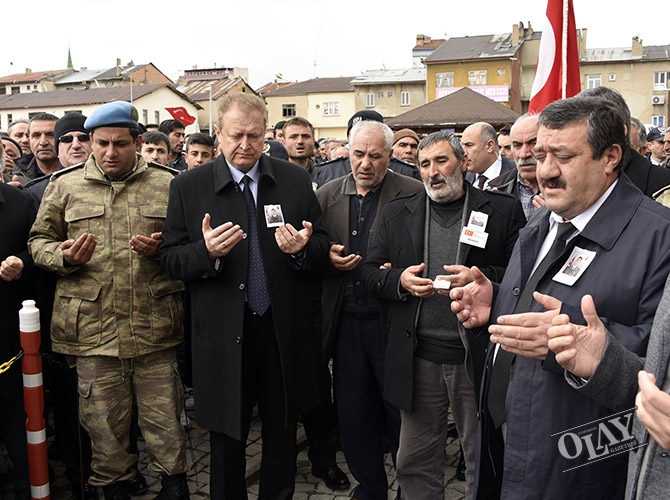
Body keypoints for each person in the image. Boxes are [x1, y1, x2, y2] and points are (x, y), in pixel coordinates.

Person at [450, 96, 670, 500]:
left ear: (610, 157)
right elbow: (541, 300)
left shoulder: (660, 238)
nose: (544, 170)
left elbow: (660, 363)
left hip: (574, 463)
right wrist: (497, 300)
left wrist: (582, 348)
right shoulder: (545, 218)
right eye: (540, 154)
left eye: (563, 156)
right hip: (503, 436)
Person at [160, 92, 329, 499]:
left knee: (282, 430)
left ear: (267, 135)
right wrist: (207, 254)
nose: (245, 145)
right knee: (226, 436)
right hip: (222, 334)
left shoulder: (291, 179)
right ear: (218, 134)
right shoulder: (189, 186)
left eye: (255, 136)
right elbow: (169, 258)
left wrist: (303, 248)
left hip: (280, 330)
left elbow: (322, 245)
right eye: (236, 135)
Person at [28, 100, 189, 500]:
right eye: (102, 144)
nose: (110, 153)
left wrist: (163, 248)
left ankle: (174, 486)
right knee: (104, 430)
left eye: (120, 143)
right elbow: (38, 241)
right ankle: (114, 488)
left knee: (166, 425)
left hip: (153, 328)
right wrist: (63, 257)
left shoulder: (168, 184)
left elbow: (189, 246)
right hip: (93, 333)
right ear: (92, 142)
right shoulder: (64, 186)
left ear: (137, 142)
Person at [361, 130, 525, 500]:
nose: (433, 172)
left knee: (481, 456)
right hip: (419, 358)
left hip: (476, 357)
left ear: (463, 163)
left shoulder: (502, 210)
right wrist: (398, 280)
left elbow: (522, 275)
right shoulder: (397, 212)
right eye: (424, 164)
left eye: (441, 161)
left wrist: (485, 280)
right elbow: (370, 273)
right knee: (413, 461)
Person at [317, 120, 423, 500]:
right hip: (345, 324)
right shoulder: (327, 195)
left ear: (390, 156)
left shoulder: (413, 192)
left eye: (375, 156)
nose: (365, 163)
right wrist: (323, 256)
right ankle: (370, 488)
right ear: (347, 152)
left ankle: (407, 487)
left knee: (401, 412)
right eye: (358, 154)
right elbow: (310, 253)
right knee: (354, 412)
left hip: (393, 323)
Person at [0, 177, 36, 500]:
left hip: (10, 340)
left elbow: (40, 247)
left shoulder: (20, 202)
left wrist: (22, 262)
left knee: (20, 435)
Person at [314, 111, 419, 187]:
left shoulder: (407, 173)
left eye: (375, 156)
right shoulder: (326, 172)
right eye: (355, 132)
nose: (365, 164)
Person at [487, 114, 541, 219]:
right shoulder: (495, 189)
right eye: (517, 145)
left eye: (534, 143)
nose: (524, 154)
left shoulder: (568, 191)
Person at [462, 122, 515, 190]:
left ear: (490, 146)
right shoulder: (464, 179)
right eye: (462, 146)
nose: (464, 152)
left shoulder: (517, 173)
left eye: (469, 145)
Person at [12, 113, 60, 184]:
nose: (43, 142)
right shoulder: (16, 176)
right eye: (36, 135)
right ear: (29, 140)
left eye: (50, 135)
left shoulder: (77, 171)